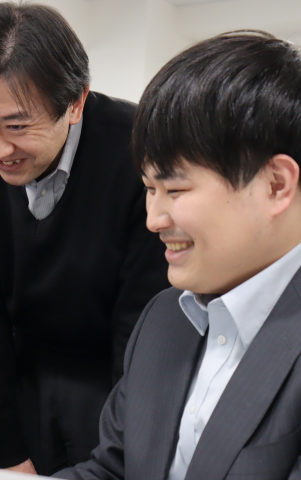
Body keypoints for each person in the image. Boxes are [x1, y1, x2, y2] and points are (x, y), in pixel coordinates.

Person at [54, 30, 301, 480]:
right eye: (149, 189)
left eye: (175, 189)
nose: (154, 219)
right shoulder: (165, 318)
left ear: (276, 184)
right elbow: (112, 470)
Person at [0, 3, 169, 475]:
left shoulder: (138, 149)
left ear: (75, 103)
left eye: (17, 126)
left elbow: (141, 326)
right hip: (22, 377)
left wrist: (126, 449)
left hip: (115, 375)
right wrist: (8, 454)